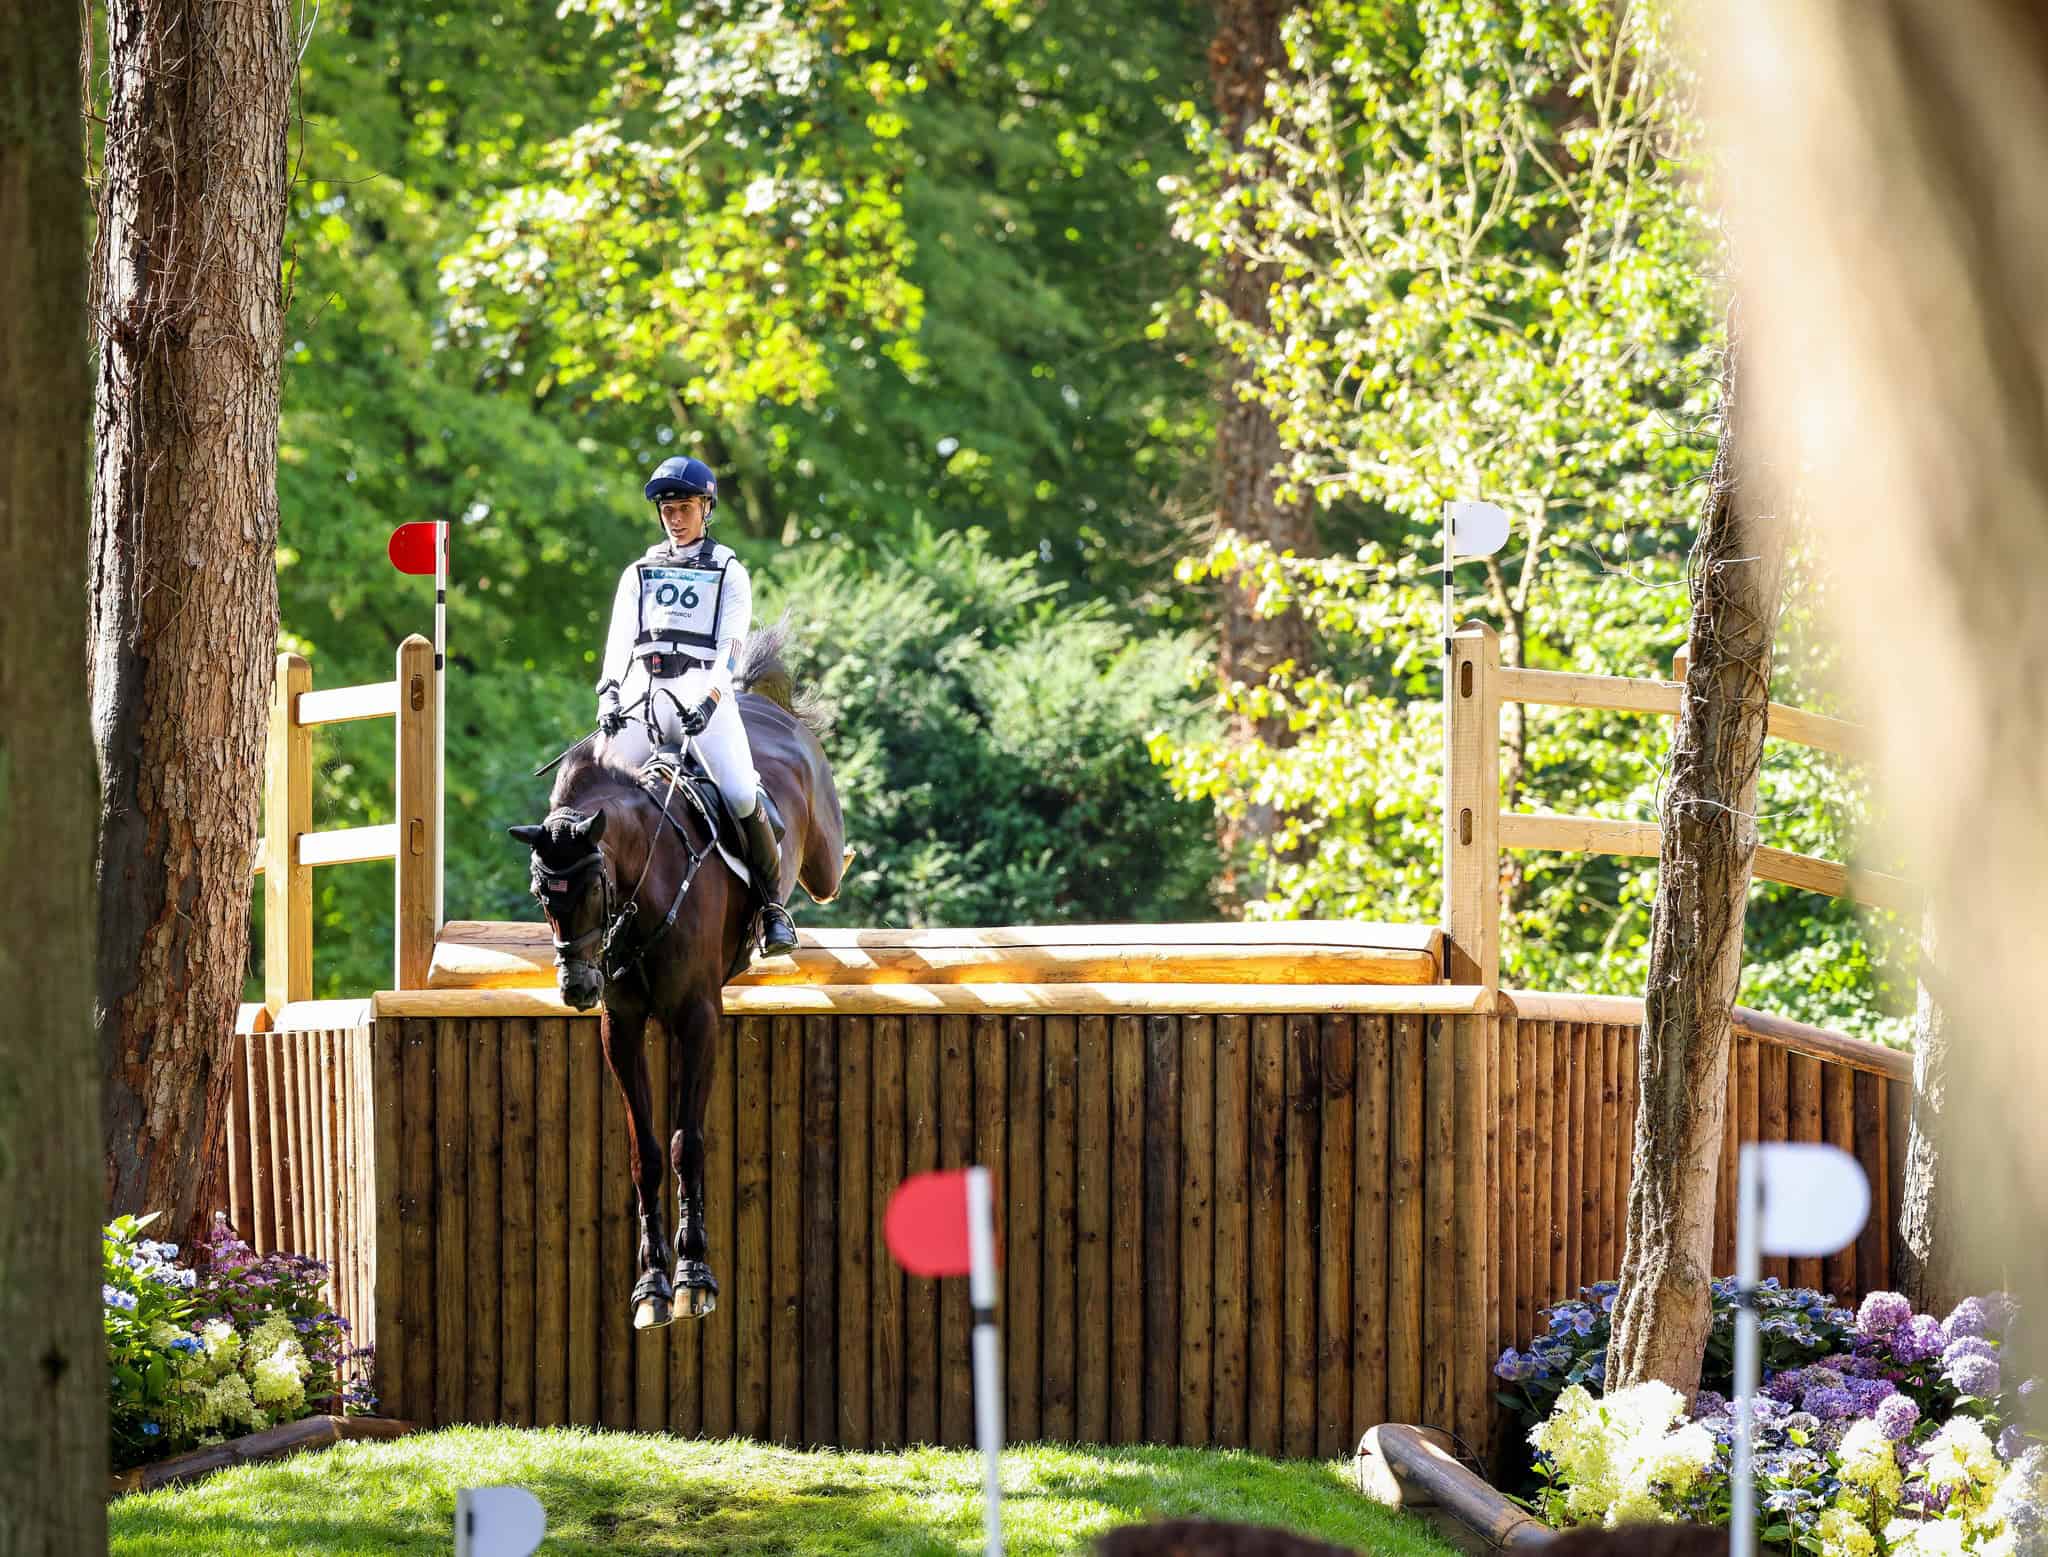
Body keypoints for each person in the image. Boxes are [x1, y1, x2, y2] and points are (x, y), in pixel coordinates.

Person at [593, 454, 799, 957]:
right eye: (668, 509)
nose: (676, 518)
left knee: (740, 793)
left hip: (702, 691)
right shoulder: (639, 571)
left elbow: (731, 645)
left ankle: (772, 908)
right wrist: (610, 692)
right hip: (643, 690)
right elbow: (619, 641)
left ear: (706, 507)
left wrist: (710, 699)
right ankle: (585, 906)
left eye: (684, 507)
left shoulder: (728, 570)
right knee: (595, 782)